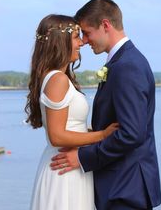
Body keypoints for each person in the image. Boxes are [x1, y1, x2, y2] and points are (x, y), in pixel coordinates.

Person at [50, 0, 161, 210]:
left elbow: (132, 133)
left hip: (126, 187)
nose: (84, 40)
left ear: (105, 25)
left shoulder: (127, 66)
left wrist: (82, 157)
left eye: (87, 32)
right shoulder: (123, 62)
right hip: (122, 184)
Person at [25, 14, 118, 210]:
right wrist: (101, 135)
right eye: (76, 37)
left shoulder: (57, 77)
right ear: (61, 41)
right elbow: (56, 136)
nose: (82, 43)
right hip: (64, 168)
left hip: (70, 165)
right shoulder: (57, 79)